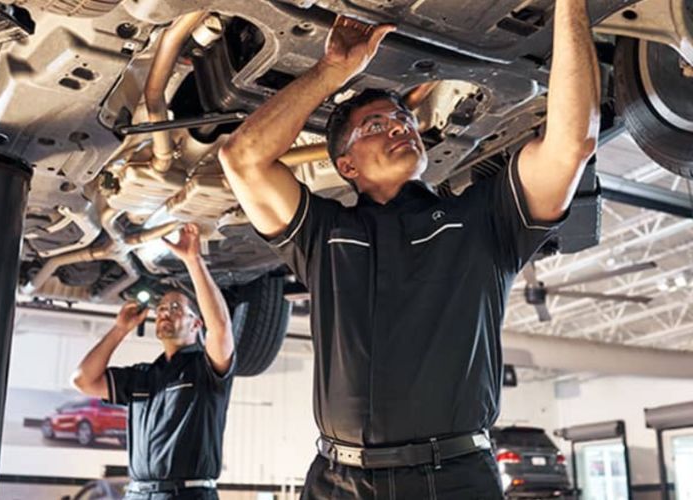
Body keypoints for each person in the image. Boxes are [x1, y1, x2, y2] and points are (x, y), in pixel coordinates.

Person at [218, 1, 599, 497]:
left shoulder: (483, 219)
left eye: (404, 120)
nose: (399, 126)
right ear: (346, 166)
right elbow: (241, 159)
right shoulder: (324, 235)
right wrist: (332, 70)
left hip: (454, 480)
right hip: (340, 481)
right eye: (376, 126)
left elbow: (572, 144)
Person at [72, 223, 235, 500]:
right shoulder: (143, 376)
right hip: (137, 494)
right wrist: (120, 329)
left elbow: (219, 328)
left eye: (175, 308)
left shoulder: (204, 369)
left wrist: (192, 260)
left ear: (196, 324)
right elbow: (83, 380)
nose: (164, 313)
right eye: (160, 308)